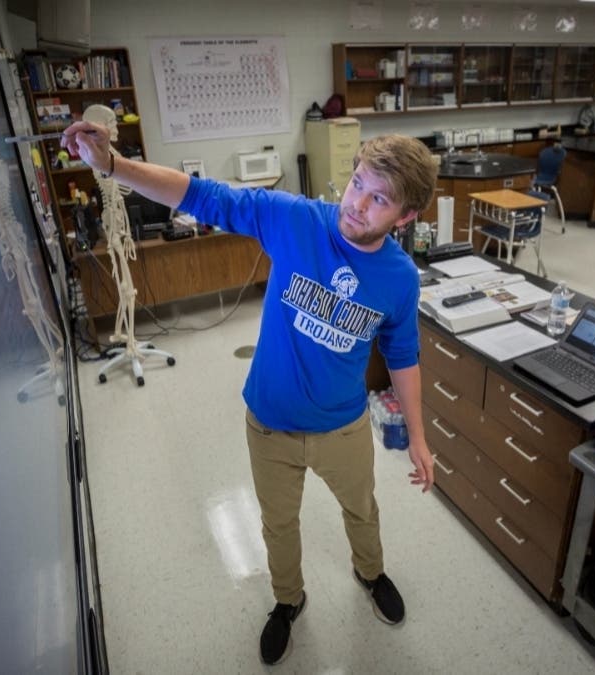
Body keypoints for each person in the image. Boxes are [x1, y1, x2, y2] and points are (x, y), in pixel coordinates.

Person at [61, 123, 437, 665]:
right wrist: (114, 166)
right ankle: (288, 601)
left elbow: (403, 354)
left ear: (405, 217)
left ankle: (370, 572)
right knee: (277, 523)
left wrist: (418, 438)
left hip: (343, 426)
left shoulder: (400, 278)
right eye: (357, 184)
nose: (357, 204)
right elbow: (202, 195)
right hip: (270, 423)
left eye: (379, 199)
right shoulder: (295, 220)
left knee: (362, 510)